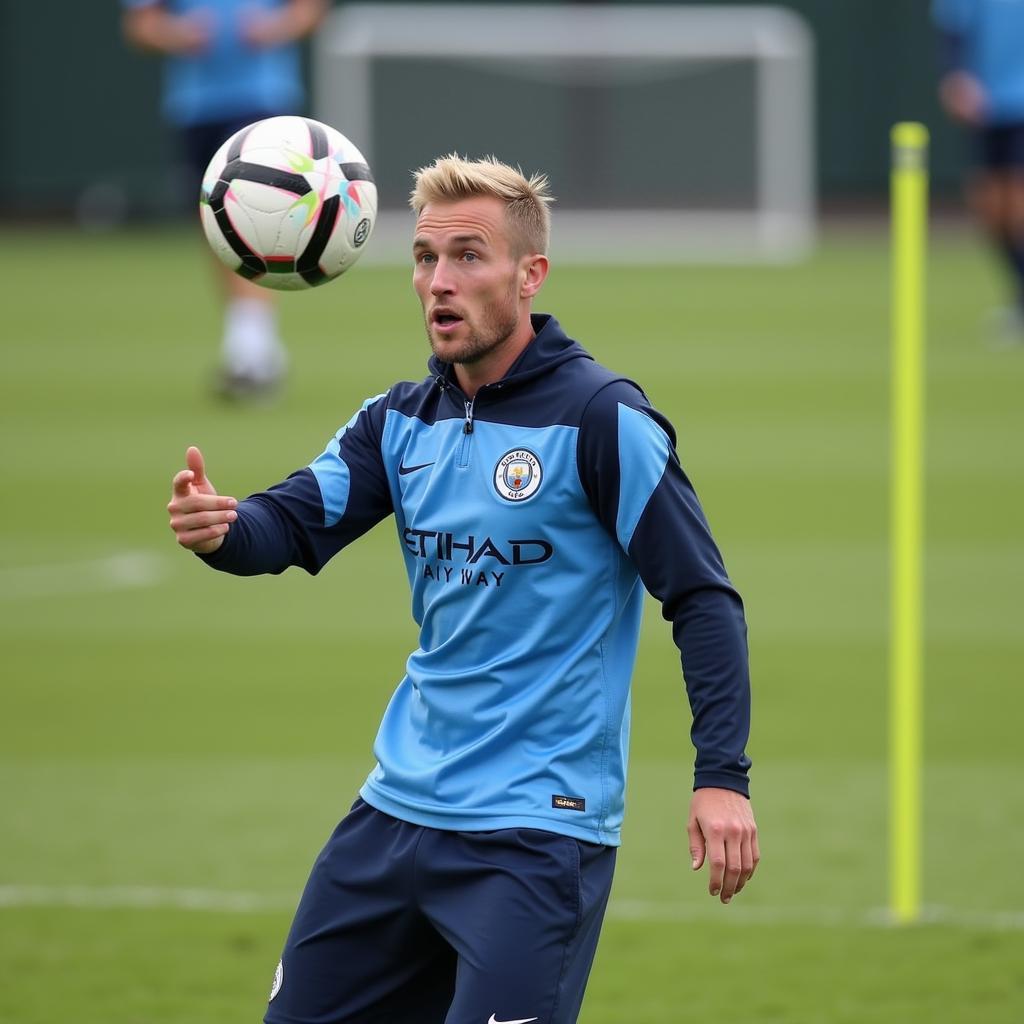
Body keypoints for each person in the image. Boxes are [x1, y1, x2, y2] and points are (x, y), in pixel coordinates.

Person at [167, 155, 758, 1024]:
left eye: (469, 257)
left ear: (530, 276)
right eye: (424, 258)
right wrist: (222, 531)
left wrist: (723, 777)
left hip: (533, 835)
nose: (438, 282)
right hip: (392, 815)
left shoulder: (604, 421)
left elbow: (703, 599)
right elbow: (289, 523)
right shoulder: (397, 419)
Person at [122, 0, 328, 396]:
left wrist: (274, 27)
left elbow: (310, 10)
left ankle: (253, 351)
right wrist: (179, 34)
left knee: (251, 218)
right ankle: (250, 344)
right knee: (216, 227)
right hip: (196, 108)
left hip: (261, 102)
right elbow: (140, 25)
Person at [932, 0, 1024, 341]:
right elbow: (953, 30)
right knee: (990, 209)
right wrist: (955, 77)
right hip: (987, 104)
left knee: (1018, 204)